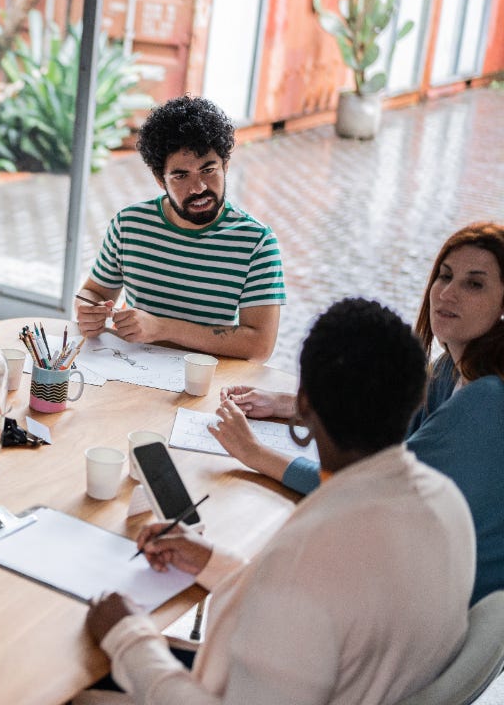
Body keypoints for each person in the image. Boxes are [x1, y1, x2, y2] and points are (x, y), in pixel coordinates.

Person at [80, 298, 475, 704]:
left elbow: (300, 592)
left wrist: (127, 636)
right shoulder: (447, 502)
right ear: (415, 400)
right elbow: (324, 602)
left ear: (302, 404)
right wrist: (210, 560)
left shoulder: (306, 562)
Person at [211, 221, 504, 605]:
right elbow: (384, 426)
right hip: (424, 573)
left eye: (474, 284)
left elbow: (365, 487)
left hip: (426, 601)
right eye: (444, 276)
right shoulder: (454, 369)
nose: (447, 294)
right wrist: (289, 403)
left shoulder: (485, 400)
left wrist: (253, 453)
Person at [75, 96, 285, 361]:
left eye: (208, 170)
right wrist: (86, 308)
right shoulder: (129, 224)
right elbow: (94, 291)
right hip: (131, 369)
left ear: (225, 166)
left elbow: (260, 345)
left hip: (204, 381)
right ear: (160, 179)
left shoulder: (257, 242)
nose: (198, 188)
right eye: (181, 176)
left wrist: (162, 327)